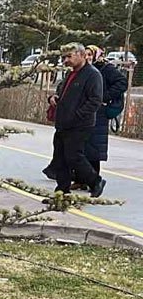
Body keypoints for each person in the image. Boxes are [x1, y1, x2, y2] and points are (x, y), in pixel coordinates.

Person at [47, 43, 105, 196]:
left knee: (74, 156)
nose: (66, 60)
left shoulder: (92, 74)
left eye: (69, 56)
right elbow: (62, 93)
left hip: (79, 124)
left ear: (81, 55)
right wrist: (53, 98)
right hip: (63, 123)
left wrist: (77, 115)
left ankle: (95, 180)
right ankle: (62, 190)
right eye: (63, 57)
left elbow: (95, 100)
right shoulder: (70, 74)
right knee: (60, 158)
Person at [84, 45, 127, 181]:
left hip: (99, 112)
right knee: (83, 146)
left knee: (94, 147)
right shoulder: (83, 69)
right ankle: (82, 179)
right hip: (86, 110)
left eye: (90, 54)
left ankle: (93, 179)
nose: (88, 57)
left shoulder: (105, 68)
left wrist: (104, 96)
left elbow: (122, 82)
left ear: (97, 55)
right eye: (85, 55)